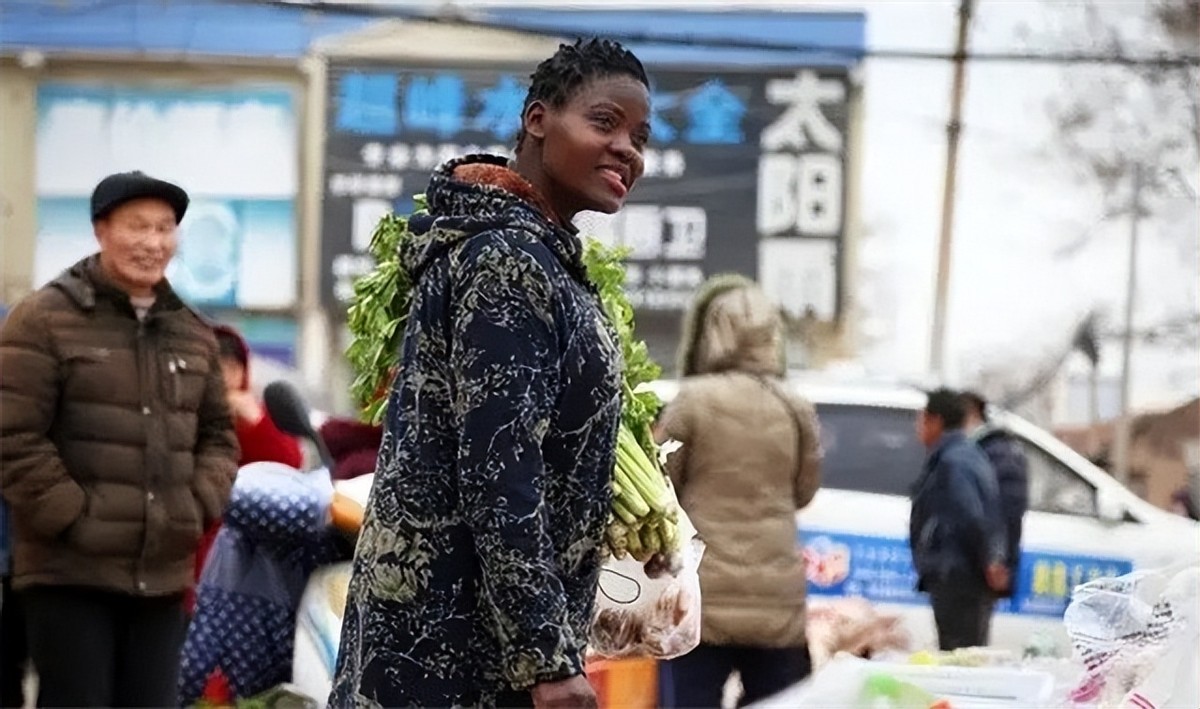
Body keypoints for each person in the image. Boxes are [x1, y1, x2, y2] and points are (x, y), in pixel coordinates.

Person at [329, 37, 649, 708]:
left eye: (640, 136)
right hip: (454, 655)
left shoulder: (534, 258)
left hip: (469, 644)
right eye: (605, 122)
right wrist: (546, 657)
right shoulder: (507, 260)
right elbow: (501, 471)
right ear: (538, 119)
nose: (628, 148)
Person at [0, 170, 239, 707]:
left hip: (161, 575)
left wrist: (194, 505)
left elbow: (219, 436)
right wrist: (72, 517)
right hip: (68, 574)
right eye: (137, 227)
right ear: (101, 230)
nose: (152, 243)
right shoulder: (42, 320)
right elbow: (13, 435)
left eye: (164, 229)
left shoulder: (191, 332)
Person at [656, 275, 823, 708]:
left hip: (703, 598)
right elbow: (804, 492)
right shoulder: (794, 406)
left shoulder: (691, 401)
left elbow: (662, 487)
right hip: (776, 601)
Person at [186, 324, 305, 614]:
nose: (222, 379)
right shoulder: (178, 417)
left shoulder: (254, 421)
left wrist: (254, 423)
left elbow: (288, 467)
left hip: (240, 574)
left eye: (230, 368)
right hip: (179, 571)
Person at [910, 389, 1008, 651]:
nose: (918, 427)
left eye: (922, 420)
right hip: (966, 575)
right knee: (968, 653)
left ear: (936, 421)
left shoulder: (953, 462)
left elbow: (970, 515)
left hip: (956, 576)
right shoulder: (969, 455)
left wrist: (987, 560)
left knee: (959, 656)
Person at [961, 391, 1029, 598]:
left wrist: (996, 559)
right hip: (969, 562)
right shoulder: (973, 450)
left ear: (972, 414)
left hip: (981, 566)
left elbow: (1004, 512)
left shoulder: (998, 454)